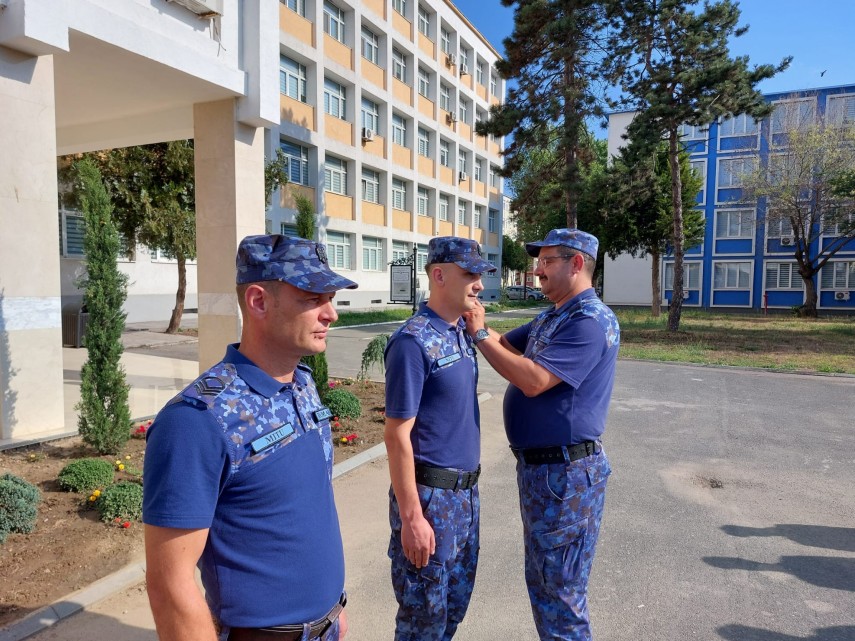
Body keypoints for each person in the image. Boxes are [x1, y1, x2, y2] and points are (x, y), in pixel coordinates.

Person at [143, 234, 357, 641]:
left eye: (331, 299)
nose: (331, 314)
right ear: (259, 301)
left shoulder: (301, 384)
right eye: (313, 298)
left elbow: (304, 510)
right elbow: (170, 585)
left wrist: (333, 608)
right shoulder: (196, 421)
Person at [463, 228, 620, 641]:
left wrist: (479, 333)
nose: (537, 271)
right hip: (544, 474)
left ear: (578, 263)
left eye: (548, 261)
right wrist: (472, 317)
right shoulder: (555, 314)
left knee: (561, 591)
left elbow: (533, 380)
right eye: (539, 261)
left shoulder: (589, 320)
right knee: (545, 583)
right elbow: (507, 347)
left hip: (565, 476)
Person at [384, 237, 496, 641]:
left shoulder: (461, 332)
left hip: (466, 497)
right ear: (438, 274)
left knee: (451, 612)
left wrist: (480, 331)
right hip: (430, 499)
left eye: (480, 275)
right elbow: (396, 436)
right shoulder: (412, 342)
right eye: (470, 274)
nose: (479, 284)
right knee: (422, 621)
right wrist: (413, 518)